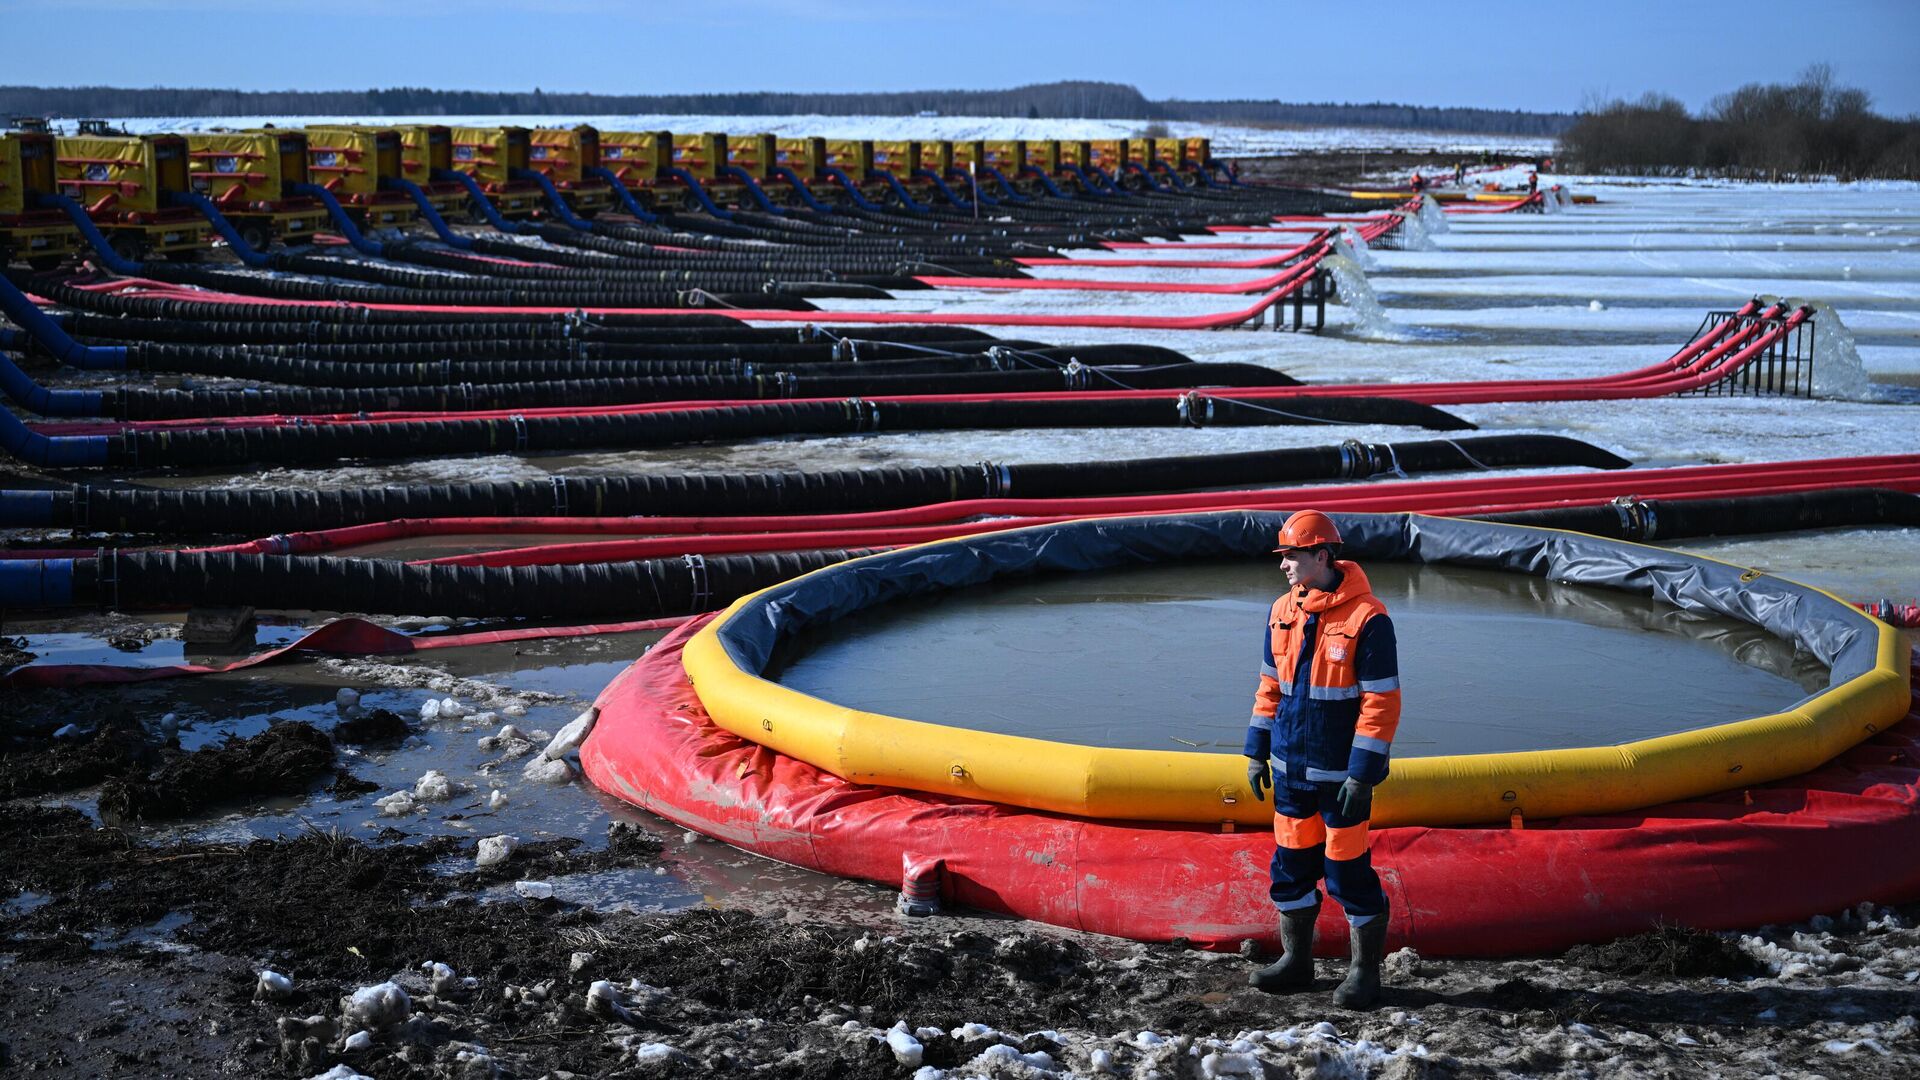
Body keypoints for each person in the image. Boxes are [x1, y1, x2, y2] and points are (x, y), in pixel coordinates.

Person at [1243, 510, 1401, 1009]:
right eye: (1283, 556)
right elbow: (1271, 687)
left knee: (1347, 872)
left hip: (1340, 778)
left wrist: (1363, 774)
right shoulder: (1280, 611)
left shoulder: (1369, 619)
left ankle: (1363, 974)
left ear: (1322, 556)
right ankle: (1297, 962)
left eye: (1292, 555)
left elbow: (1381, 703)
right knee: (1290, 869)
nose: (1284, 565)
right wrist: (1256, 751)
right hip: (1291, 774)